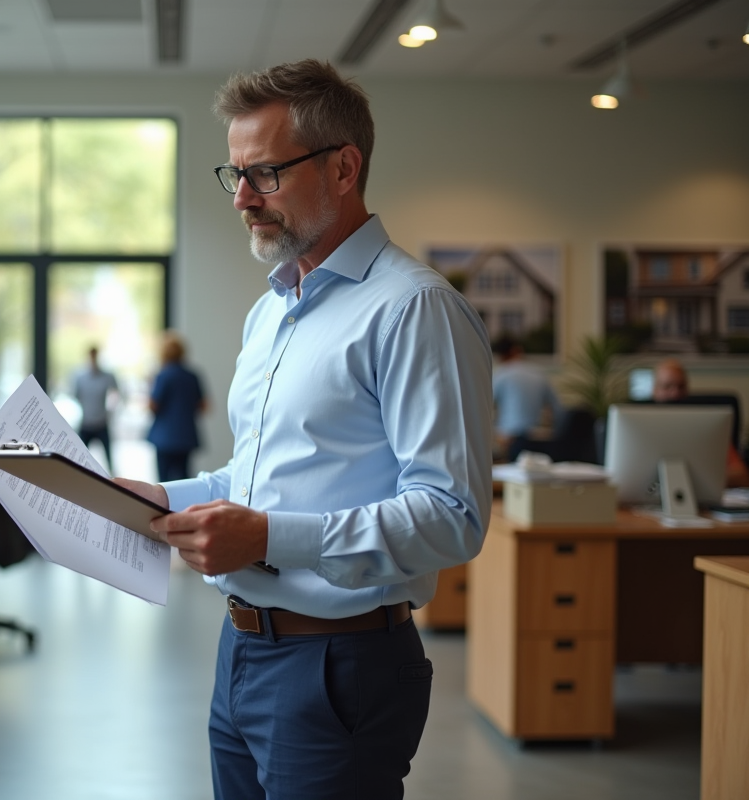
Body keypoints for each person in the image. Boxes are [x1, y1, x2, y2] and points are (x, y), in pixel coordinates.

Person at [114, 60, 492, 799]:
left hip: (339, 664)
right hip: (241, 649)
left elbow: (453, 517)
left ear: (344, 168)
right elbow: (257, 477)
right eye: (236, 174)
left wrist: (267, 538)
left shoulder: (413, 309)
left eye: (265, 173)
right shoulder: (272, 311)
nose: (242, 198)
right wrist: (155, 498)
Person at [652, 357, 749, 487]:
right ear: (655, 390)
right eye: (667, 386)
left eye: (681, 386)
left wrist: (694, 480)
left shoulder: (708, 425)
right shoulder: (639, 429)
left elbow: (741, 475)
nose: (675, 393)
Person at [147, 330, 208, 481]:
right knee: (183, 478)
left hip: (164, 437)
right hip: (185, 436)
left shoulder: (163, 375)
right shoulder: (192, 376)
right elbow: (204, 406)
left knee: (163, 483)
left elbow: (153, 405)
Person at [492, 335, 561, 461]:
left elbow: (485, 405)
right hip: (538, 438)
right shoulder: (539, 373)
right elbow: (557, 409)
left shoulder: (501, 374)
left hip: (510, 439)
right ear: (517, 350)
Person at [72, 346, 120, 469]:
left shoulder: (107, 376)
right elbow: (76, 396)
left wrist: (110, 411)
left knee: (109, 460)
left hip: (101, 423)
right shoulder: (80, 378)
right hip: (86, 423)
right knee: (79, 460)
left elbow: (116, 393)